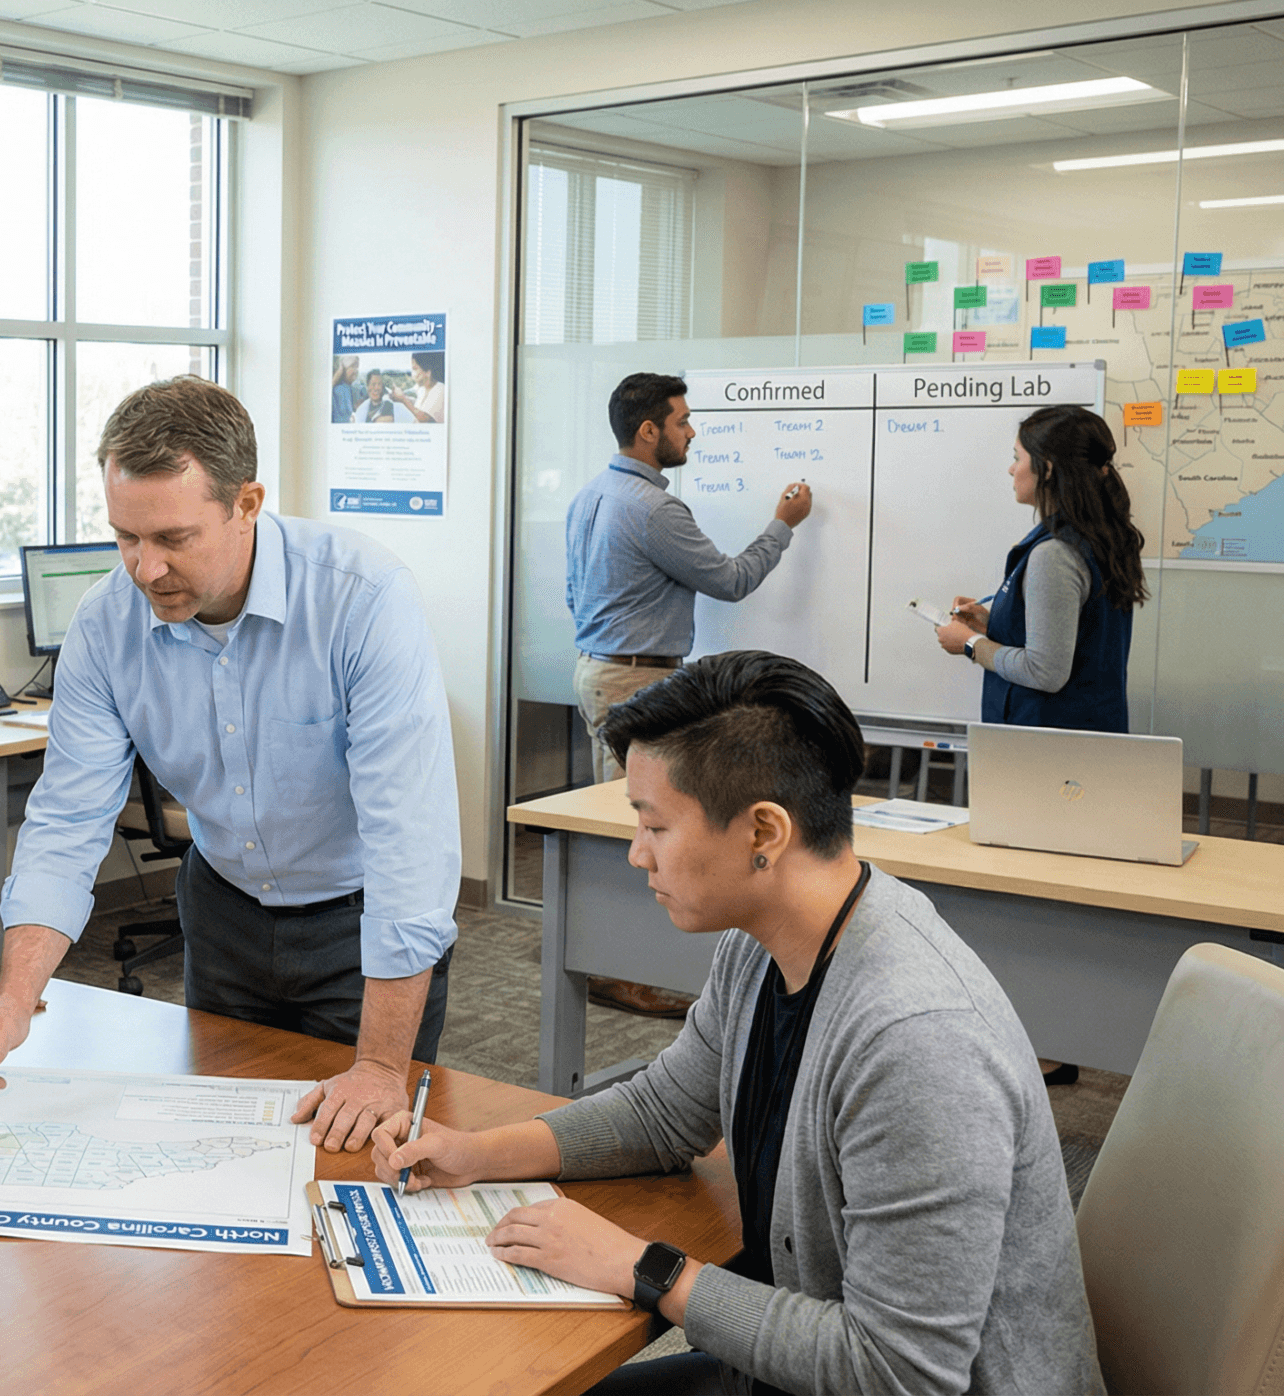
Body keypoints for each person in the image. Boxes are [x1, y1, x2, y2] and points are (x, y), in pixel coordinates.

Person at [372, 652, 1102, 1396]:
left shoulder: (916, 1042)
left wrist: (644, 1268)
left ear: (763, 833)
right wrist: (476, 1153)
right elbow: (663, 1114)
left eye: (654, 825)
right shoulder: (762, 949)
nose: (635, 854)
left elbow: (899, 1372)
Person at [0, 375, 460, 1154]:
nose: (144, 569)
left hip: (363, 930)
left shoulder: (363, 601)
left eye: (173, 539)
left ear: (246, 504)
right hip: (223, 918)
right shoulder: (105, 624)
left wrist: (383, 1065)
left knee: (356, 1156)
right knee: (226, 1148)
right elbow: (67, 822)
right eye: (126, 537)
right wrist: (16, 999)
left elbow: (409, 845)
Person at [566, 372, 811, 1020]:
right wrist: (783, 525)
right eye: (682, 420)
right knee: (645, 831)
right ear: (650, 431)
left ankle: (611, 963)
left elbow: (572, 594)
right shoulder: (654, 509)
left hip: (599, 667)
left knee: (627, 822)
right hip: (633, 678)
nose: (692, 430)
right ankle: (620, 972)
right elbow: (731, 579)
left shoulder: (592, 495)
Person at [934, 404, 1145, 733]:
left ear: (1046, 469)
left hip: (1047, 745)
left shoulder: (1055, 554)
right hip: (1085, 737)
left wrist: (971, 644)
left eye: (1017, 457)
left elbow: (1044, 671)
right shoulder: (1098, 536)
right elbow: (1074, 637)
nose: (1010, 469)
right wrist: (992, 625)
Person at [392, 352, 446, 424]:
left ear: (428, 372)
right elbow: (422, 406)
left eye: (415, 369)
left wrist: (403, 399)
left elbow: (426, 419)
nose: (412, 374)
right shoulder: (422, 389)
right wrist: (400, 397)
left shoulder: (441, 390)